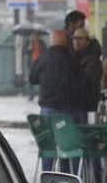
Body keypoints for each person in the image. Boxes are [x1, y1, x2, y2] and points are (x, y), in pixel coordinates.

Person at [29, 29, 80, 171]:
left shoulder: (43, 58)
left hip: (47, 110)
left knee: (48, 146)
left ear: (52, 41)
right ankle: (65, 176)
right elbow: (80, 84)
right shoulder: (72, 60)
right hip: (67, 111)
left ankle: (48, 175)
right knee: (66, 144)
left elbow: (32, 79)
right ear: (64, 41)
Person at [72, 27, 101, 123]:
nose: (76, 41)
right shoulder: (75, 56)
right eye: (74, 38)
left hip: (87, 105)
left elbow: (90, 84)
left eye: (80, 39)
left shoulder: (93, 60)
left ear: (87, 41)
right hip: (77, 105)